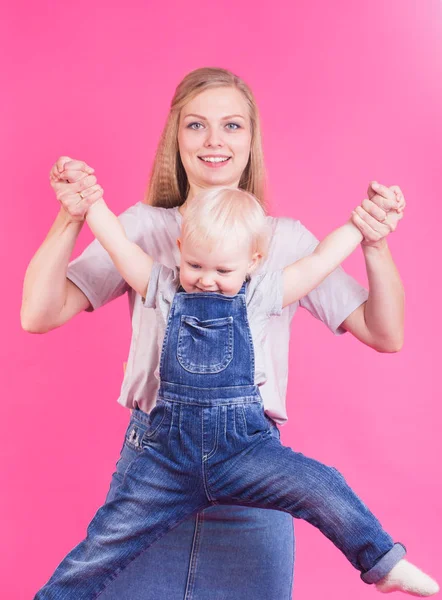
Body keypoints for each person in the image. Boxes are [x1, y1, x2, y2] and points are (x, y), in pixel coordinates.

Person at [22, 67, 407, 599]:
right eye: (196, 125)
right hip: (154, 462)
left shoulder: (283, 243)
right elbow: (38, 315)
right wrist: (72, 216)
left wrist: (374, 243)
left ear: (252, 140)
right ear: (175, 137)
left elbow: (384, 333)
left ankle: (383, 560)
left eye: (232, 126)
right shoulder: (143, 230)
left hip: (254, 466)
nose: (214, 142)